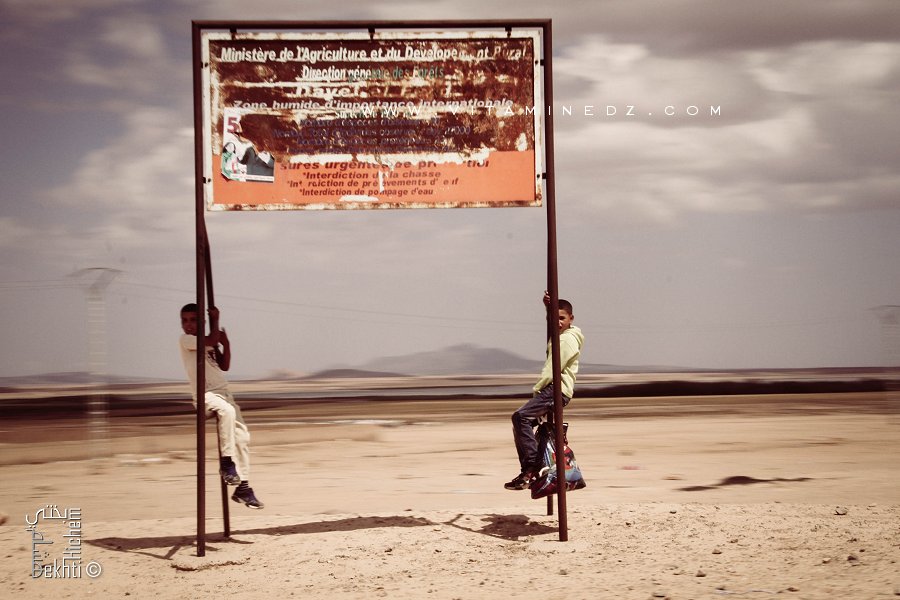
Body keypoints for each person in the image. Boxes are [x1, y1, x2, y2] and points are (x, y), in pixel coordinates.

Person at [179, 304, 264, 509]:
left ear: (202, 321)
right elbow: (211, 339)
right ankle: (227, 463)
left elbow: (224, 365)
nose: (188, 325)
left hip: (224, 392)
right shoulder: (187, 340)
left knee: (243, 436)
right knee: (227, 411)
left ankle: (243, 486)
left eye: (193, 320)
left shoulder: (208, 343)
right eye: (185, 320)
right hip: (204, 394)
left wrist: (226, 344)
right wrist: (216, 321)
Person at [505, 292, 585, 490]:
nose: (557, 322)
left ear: (571, 319)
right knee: (522, 422)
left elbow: (552, 368)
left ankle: (533, 467)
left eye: (562, 318)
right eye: (553, 318)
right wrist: (547, 308)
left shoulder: (566, 340)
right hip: (556, 390)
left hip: (554, 389)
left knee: (520, 417)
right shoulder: (564, 335)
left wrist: (538, 390)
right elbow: (553, 320)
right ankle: (530, 469)